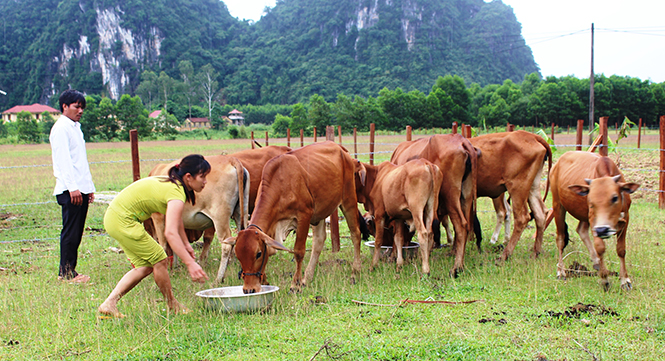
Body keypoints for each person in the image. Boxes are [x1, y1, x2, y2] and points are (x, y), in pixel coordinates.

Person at [98, 154, 210, 317]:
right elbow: (170, 233)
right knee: (160, 259)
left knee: (145, 266)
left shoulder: (174, 185)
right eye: (202, 176)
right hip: (123, 220)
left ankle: (109, 303)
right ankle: (173, 305)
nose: (205, 181)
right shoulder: (176, 191)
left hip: (115, 218)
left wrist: (186, 244)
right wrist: (190, 264)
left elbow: (176, 219)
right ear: (188, 177)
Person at [50, 89, 95, 283]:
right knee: (70, 231)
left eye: (82, 107)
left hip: (80, 188)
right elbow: (64, 161)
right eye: (77, 106)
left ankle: (70, 270)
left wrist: (88, 187)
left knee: (76, 231)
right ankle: (66, 273)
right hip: (71, 189)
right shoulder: (61, 128)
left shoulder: (75, 128)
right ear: (65, 106)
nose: (80, 111)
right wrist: (72, 187)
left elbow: (81, 162)